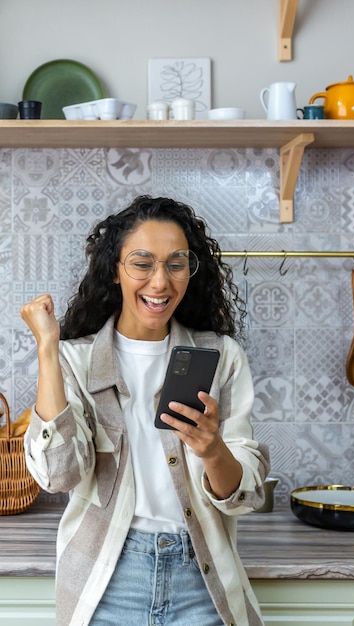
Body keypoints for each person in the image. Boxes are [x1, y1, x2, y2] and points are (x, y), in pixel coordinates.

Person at [20, 195, 269, 626]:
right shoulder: (74, 362)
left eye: (176, 264)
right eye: (142, 263)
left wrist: (212, 451)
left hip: (202, 582)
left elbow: (243, 498)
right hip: (105, 583)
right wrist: (47, 349)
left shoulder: (221, 357)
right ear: (115, 271)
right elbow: (59, 475)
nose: (160, 283)